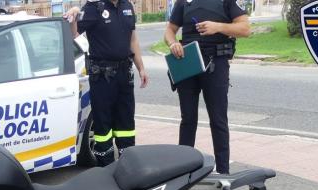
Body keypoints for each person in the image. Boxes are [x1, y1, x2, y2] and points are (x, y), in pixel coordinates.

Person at [164, 0, 250, 174]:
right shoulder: (184, 2)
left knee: (218, 120)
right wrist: (173, 43)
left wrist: (218, 27)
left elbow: (245, 29)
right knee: (188, 119)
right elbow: (170, 30)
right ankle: (184, 170)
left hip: (216, 64)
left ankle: (223, 172)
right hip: (188, 62)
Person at [65, 0, 149, 166]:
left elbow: (133, 40)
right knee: (103, 127)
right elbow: (73, 35)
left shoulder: (127, 6)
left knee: (126, 126)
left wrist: (141, 68)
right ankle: (106, 169)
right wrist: (73, 15)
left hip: (125, 76)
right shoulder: (93, 8)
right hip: (102, 78)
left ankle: (128, 166)